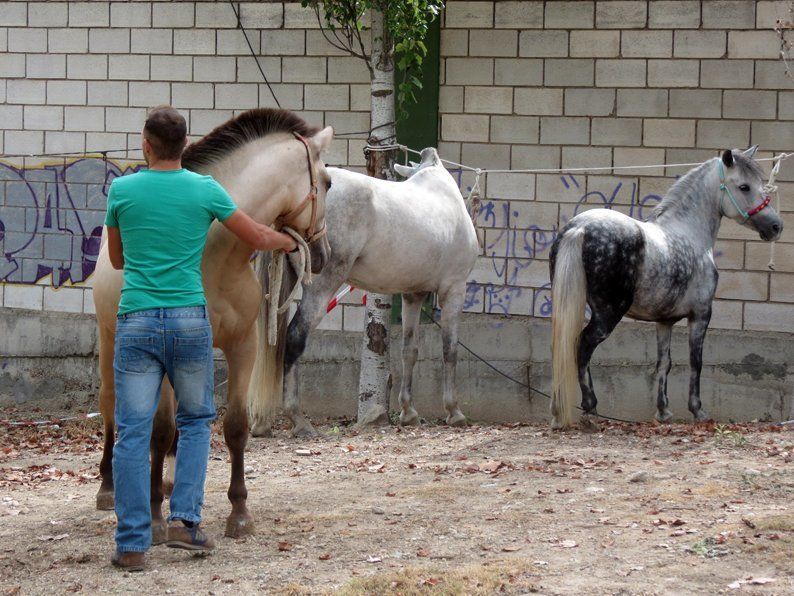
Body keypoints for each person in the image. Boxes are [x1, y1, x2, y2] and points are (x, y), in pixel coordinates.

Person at [105, 105, 296, 571]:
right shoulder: (205, 189)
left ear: (145, 145)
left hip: (137, 322)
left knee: (131, 431)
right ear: (185, 147)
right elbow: (255, 235)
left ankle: (132, 544)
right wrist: (291, 243)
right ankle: (186, 524)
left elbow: (116, 259)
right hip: (191, 322)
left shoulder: (122, 190)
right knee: (195, 423)